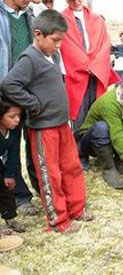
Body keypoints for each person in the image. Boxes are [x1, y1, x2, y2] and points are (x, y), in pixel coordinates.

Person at [1, 10, 93, 234]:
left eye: (62, 40)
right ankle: (58, 220)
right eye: (55, 40)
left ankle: (76, 208)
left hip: (62, 125)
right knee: (50, 173)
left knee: (71, 167)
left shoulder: (53, 55)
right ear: (38, 34)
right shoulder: (29, 58)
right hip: (43, 129)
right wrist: (33, 103)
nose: (59, 45)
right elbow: (8, 85)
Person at [0, 0, 40, 216]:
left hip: (30, 92)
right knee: (10, 146)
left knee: (34, 142)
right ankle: (20, 196)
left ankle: (42, 189)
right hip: (6, 94)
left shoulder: (30, 15)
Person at [60, 0, 120, 135]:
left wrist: (96, 67)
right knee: (79, 118)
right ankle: (81, 154)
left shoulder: (98, 20)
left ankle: (98, 147)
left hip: (96, 76)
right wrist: (86, 65)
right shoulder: (61, 20)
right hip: (76, 78)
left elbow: (104, 46)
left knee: (98, 114)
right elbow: (68, 48)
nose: (76, 1)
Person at [0, 99, 26, 233]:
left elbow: (14, 152)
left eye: (19, 115)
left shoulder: (15, 129)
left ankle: (10, 217)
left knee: (6, 187)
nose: (17, 120)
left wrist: (9, 174)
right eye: (12, 116)